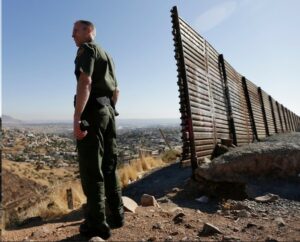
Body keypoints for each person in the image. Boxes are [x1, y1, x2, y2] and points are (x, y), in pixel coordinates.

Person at [72, 20, 124, 239]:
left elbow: (86, 81)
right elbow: (117, 91)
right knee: (109, 165)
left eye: (76, 30)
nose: (72, 35)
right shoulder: (108, 56)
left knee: (92, 169)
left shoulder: (88, 50)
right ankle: (117, 215)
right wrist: (109, 110)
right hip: (109, 113)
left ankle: (96, 224)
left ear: (89, 31)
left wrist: (77, 116)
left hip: (93, 112)